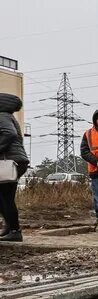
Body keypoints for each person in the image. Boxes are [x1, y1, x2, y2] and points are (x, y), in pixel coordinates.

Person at [0, 93, 30, 242]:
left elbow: (9, 134)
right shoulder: (8, 116)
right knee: (5, 197)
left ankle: (14, 230)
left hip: (11, 161)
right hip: (16, 160)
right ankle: (10, 227)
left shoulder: (2, 116)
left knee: (6, 197)